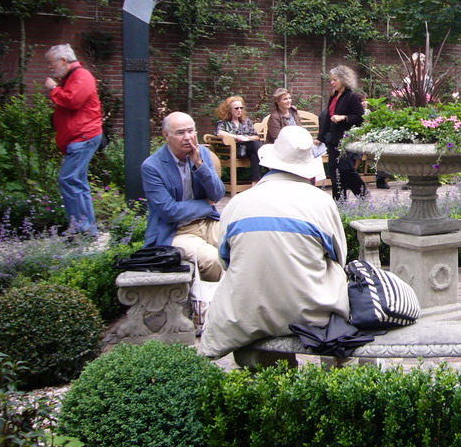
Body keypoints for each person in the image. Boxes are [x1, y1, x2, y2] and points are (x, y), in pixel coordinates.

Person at [198, 125, 350, 359]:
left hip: (246, 313)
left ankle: (256, 383)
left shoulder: (238, 203)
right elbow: (339, 257)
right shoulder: (322, 202)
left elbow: (225, 261)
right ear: (308, 168)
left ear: (270, 162)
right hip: (311, 311)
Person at [142, 112, 226, 281]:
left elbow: (217, 193)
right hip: (176, 231)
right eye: (180, 133)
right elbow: (169, 211)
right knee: (213, 260)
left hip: (207, 222)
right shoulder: (152, 167)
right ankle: (216, 302)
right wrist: (205, 204)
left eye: (191, 131)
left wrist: (199, 165)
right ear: (166, 135)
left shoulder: (201, 154)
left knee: (242, 243)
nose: (188, 137)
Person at [43, 44, 103, 237]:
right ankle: (86, 229)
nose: (50, 67)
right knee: (77, 182)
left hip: (84, 137)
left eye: (51, 63)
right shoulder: (72, 77)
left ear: (63, 61)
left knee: (69, 179)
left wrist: (53, 89)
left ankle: (82, 229)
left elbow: (72, 101)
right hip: (78, 138)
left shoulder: (82, 76)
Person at [318, 64, 366, 200]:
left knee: (346, 169)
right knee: (334, 172)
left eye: (334, 80)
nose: (332, 83)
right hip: (333, 139)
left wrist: (344, 117)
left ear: (343, 79)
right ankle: (339, 203)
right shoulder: (333, 96)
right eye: (331, 80)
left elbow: (360, 117)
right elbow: (328, 118)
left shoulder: (352, 96)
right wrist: (320, 138)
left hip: (346, 139)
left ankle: (363, 196)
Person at [215, 95, 262, 183]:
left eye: (241, 108)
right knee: (257, 147)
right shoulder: (224, 122)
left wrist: (247, 138)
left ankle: (255, 183)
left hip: (246, 148)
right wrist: (236, 137)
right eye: (236, 108)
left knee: (255, 154)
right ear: (229, 110)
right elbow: (219, 133)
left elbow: (257, 136)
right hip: (233, 150)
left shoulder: (246, 121)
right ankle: (268, 163)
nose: (239, 110)